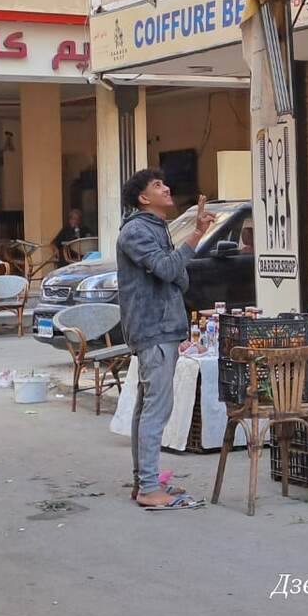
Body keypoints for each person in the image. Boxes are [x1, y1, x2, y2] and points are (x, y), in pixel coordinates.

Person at [117, 168, 215, 510]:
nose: (167, 187)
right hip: (152, 327)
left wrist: (187, 247)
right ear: (144, 198)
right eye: (158, 185)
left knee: (149, 406)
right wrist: (196, 236)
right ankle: (147, 487)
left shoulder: (156, 228)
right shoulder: (136, 232)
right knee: (156, 408)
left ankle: (143, 481)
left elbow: (178, 277)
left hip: (161, 325)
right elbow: (172, 271)